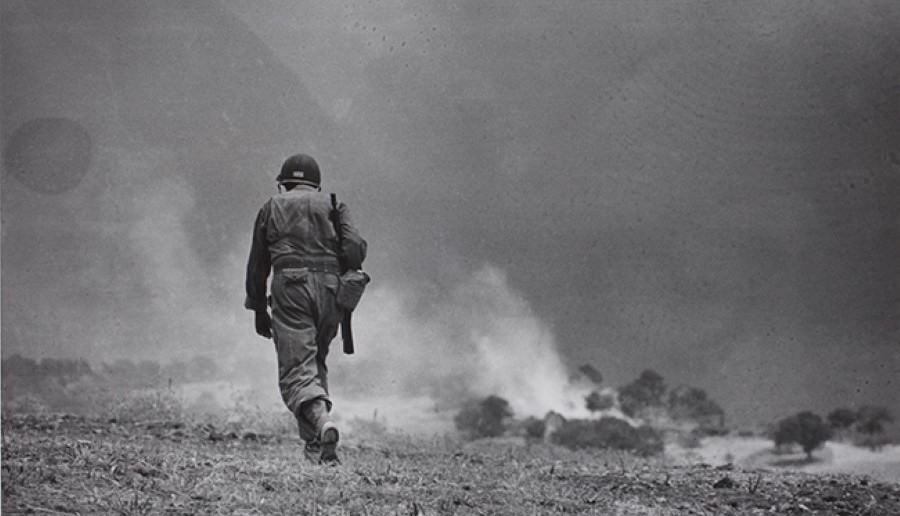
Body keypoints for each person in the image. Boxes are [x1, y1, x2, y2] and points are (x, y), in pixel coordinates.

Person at [244, 153, 367, 464]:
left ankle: (324, 425)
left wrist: (259, 308)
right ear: (316, 184)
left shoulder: (271, 207)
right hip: (330, 291)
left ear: (284, 183)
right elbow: (354, 250)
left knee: (297, 370)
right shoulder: (335, 204)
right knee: (315, 363)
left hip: (292, 288)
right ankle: (317, 449)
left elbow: (258, 265)